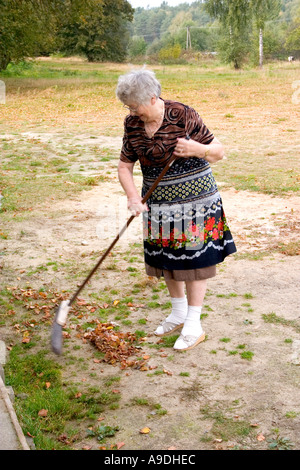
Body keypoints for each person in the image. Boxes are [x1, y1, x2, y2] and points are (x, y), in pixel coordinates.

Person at [116, 68, 236, 351]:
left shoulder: (183, 114)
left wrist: (196, 148)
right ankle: (179, 312)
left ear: (153, 97)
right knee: (167, 258)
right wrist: (134, 197)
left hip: (195, 203)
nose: (132, 111)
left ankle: (194, 323)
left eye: (135, 105)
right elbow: (124, 166)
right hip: (158, 203)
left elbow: (218, 151)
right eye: (128, 106)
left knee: (194, 260)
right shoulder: (132, 124)